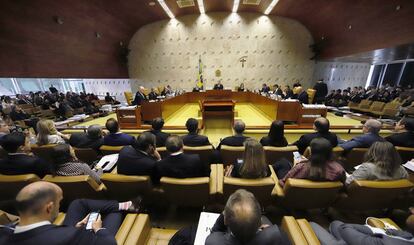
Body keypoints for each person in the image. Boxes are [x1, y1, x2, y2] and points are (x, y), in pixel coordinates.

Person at [0, 181, 142, 245]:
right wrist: (99, 230)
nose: (59, 205)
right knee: (114, 213)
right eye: (59, 202)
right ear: (49, 208)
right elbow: (109, 243)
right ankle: (124, 206)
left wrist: (75, 227)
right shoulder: (72, 236)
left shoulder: (4, 232)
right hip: (83, 238)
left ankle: (123, 205)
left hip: (64, 231)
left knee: (77, 203)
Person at [205, 189, 291, 245]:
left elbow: (215, 233)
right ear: (260, 222)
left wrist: (223, 217)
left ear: (226, 221)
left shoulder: (213, 241)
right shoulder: (277, 235)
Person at [310, 212, 414, 245]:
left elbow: (345, 228)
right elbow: (398, 234)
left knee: (311, 224)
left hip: (359, 241)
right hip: (362, 240)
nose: (411, 209)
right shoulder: (409, 237)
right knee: (335, 223)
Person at [278, 138, 345, 187]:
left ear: (312, 152)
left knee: (283, 162)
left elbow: (283, 183)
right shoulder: (339, 170)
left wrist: (295, 166)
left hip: (297, 199)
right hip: (324, 201)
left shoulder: (301, 168)